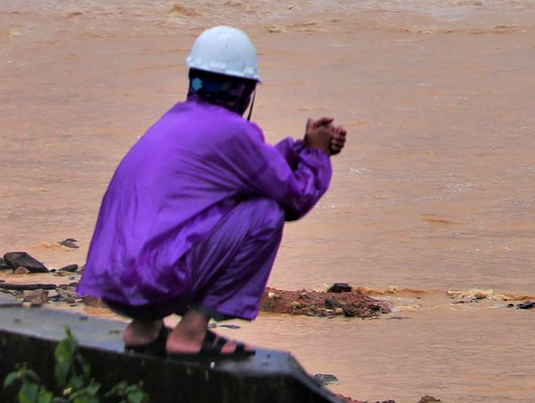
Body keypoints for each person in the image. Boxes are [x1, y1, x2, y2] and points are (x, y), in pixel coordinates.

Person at [77, 25, 347, 360]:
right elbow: (296, 198)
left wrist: (300, 149)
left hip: (114, 286)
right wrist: (317, 156)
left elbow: (252, 170)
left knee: (207, 209)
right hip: (152, 285)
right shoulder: (234, 133)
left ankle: (144, 329)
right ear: (246, 91)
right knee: (267, 213)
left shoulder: (174, 119)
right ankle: (190, 333)